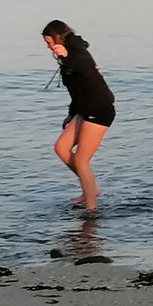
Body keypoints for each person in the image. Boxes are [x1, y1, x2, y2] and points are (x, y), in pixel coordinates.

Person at [41, 20, 115, 212]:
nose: (48, 47)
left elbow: (85, 66)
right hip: (84, 109)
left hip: (99, 109)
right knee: (61, 148)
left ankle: (91, 210)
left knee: (82, 160)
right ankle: (90, 187)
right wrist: (71, 113)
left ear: (58, 39)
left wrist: (67, 56)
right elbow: (77, 89)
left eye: (49, 43)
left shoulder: (76, 50)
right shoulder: (68, 55)